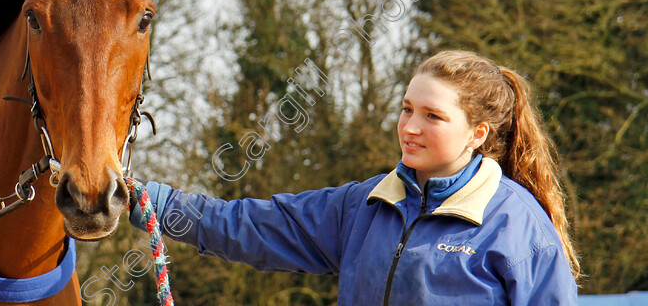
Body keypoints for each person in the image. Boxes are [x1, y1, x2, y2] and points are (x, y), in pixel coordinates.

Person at [130, 50, 580, 304]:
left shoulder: (517, 227)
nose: (409, 127)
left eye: (432, 116)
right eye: (406, 109)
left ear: (476, 134)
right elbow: (252, 227)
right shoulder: (363, 206)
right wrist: (157, 204)